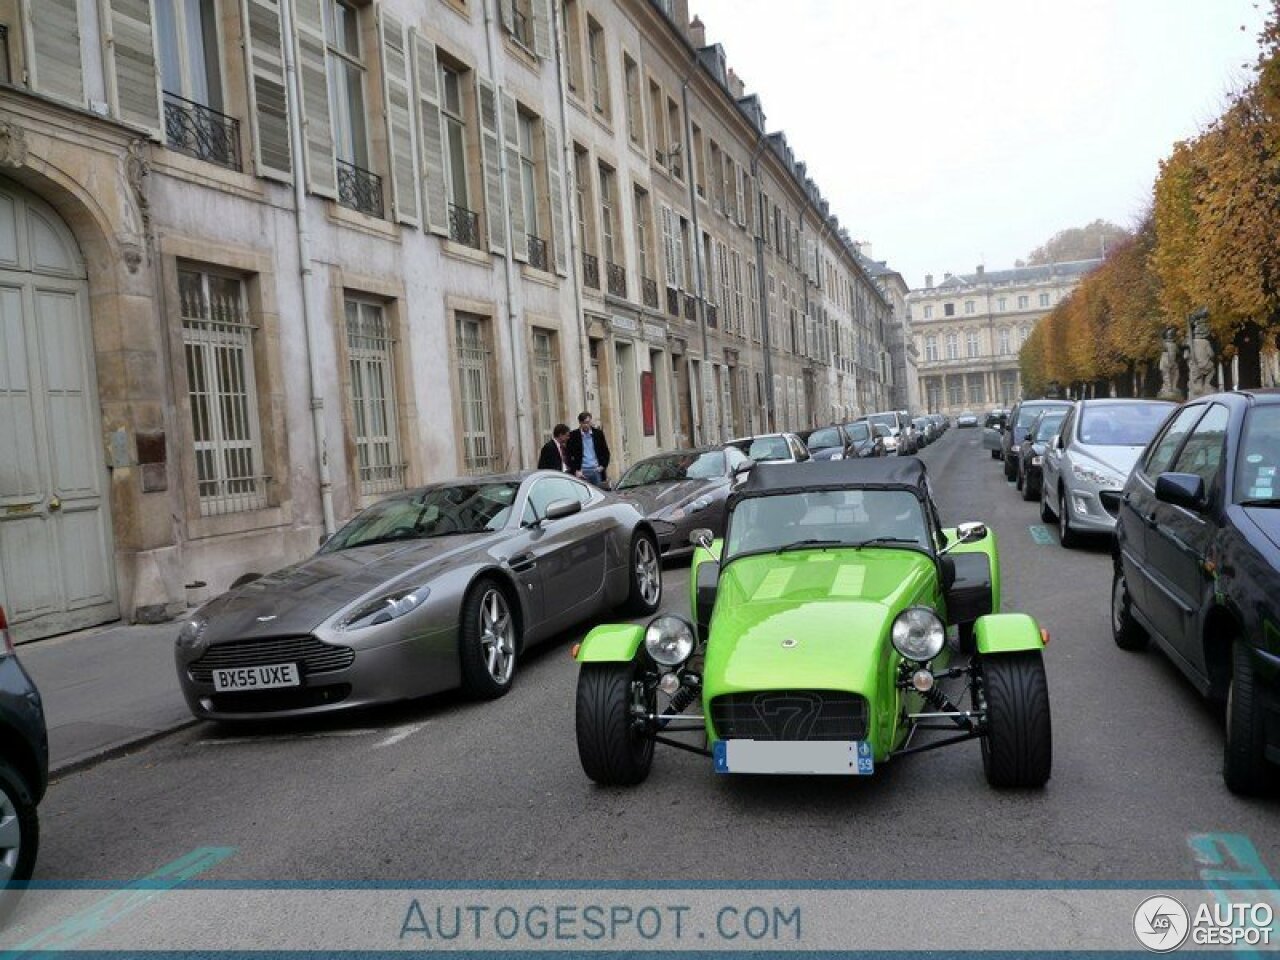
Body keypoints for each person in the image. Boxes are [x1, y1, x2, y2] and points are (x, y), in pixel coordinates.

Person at [566, 411, 612, 487]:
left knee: (599, 494)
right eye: (584, 423)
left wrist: (602, 466)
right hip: (581, 471)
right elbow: (568, 455)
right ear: (580, 423)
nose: (587, 425)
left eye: (588, 422)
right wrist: (575, 470)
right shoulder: (573, 435)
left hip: (596, 470)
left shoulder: (598, 434)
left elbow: (606, 452)